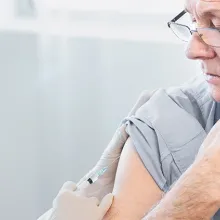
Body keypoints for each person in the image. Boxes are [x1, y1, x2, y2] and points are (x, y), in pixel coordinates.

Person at [38, 0, 220, 219]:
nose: (192, 50)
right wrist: (200, 190)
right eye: (193, 21)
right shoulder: (167, 124)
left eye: (216, 25)